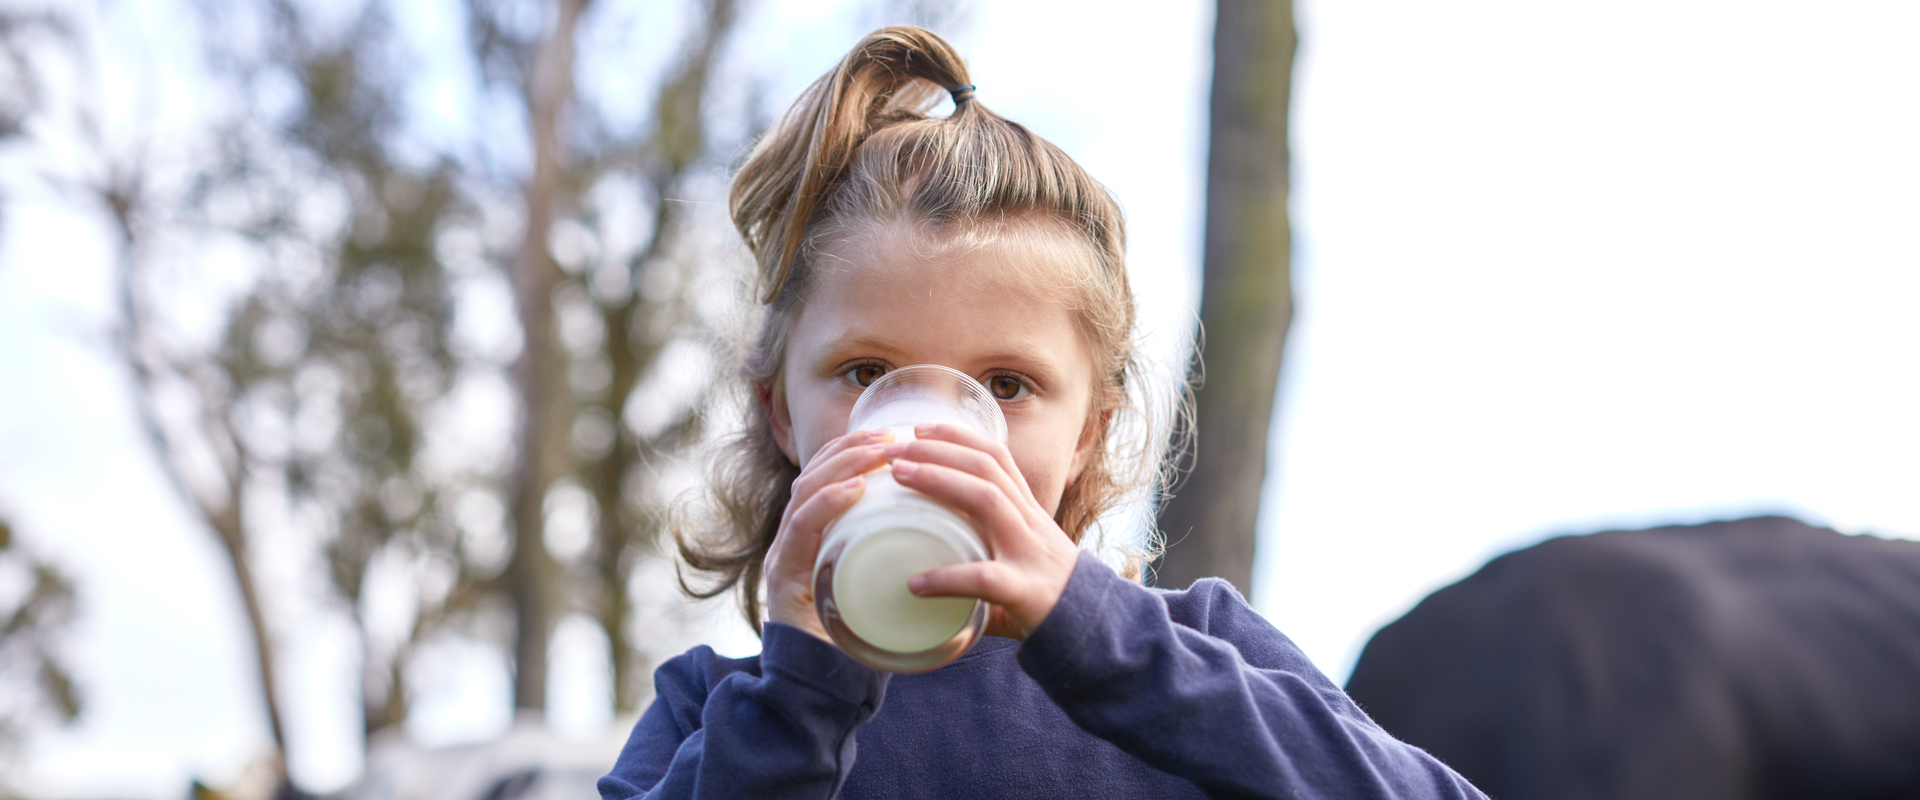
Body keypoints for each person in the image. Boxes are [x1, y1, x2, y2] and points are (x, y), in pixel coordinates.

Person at [598, 25, 1487, 800]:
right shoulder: (709, 710)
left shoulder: (1198, 654)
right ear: (781, 413)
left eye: (1008, 387)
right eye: (868, 372)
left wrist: (1105, 639)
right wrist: (797, 696)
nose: (931, 429)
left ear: (1089, 433)